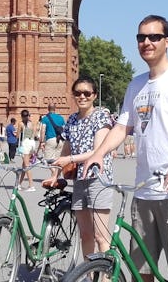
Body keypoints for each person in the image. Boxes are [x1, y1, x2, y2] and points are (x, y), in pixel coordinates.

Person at [82, 14, 168, 282]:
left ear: (167, 41)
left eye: (154, 37)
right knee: (141, 274)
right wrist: (98, 154)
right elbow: (121, 128)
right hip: (144, 192)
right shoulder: (136, 84)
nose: (147, 42)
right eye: (141, 37)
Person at [43, 77, 115, 256]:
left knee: (101, 236)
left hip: (98, 179)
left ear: (94, 95)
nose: (82, 96)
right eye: (77, 93)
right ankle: (89, 274)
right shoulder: (72, 119)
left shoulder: (101, 117)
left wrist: (71, 159)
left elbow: (98, 151)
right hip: (80, 180)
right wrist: (56, 174)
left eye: (87, 93)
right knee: (85, 235)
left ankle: (105, 276)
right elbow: (66, 150)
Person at [17, 110, 39, 191]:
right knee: (24, 165)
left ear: (22, 116)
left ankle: (31, 185)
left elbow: (17, 135)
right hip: (32, 143)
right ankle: (19, 184)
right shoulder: (32, 123)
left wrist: (16, 133)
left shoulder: (21, 124)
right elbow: (35, 134)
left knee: (27, 166)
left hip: (25, 144)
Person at [40, 104, 66, 173]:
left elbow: (43, 130)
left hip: (50, 140)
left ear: (48, 108)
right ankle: (56, 176)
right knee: (57, 161)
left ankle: (55, 174)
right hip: (60, 140)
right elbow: (64, 129)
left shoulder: (45, 118)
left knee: (47, 160)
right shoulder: (61, 118)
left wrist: (42, 141)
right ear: (55, 108)